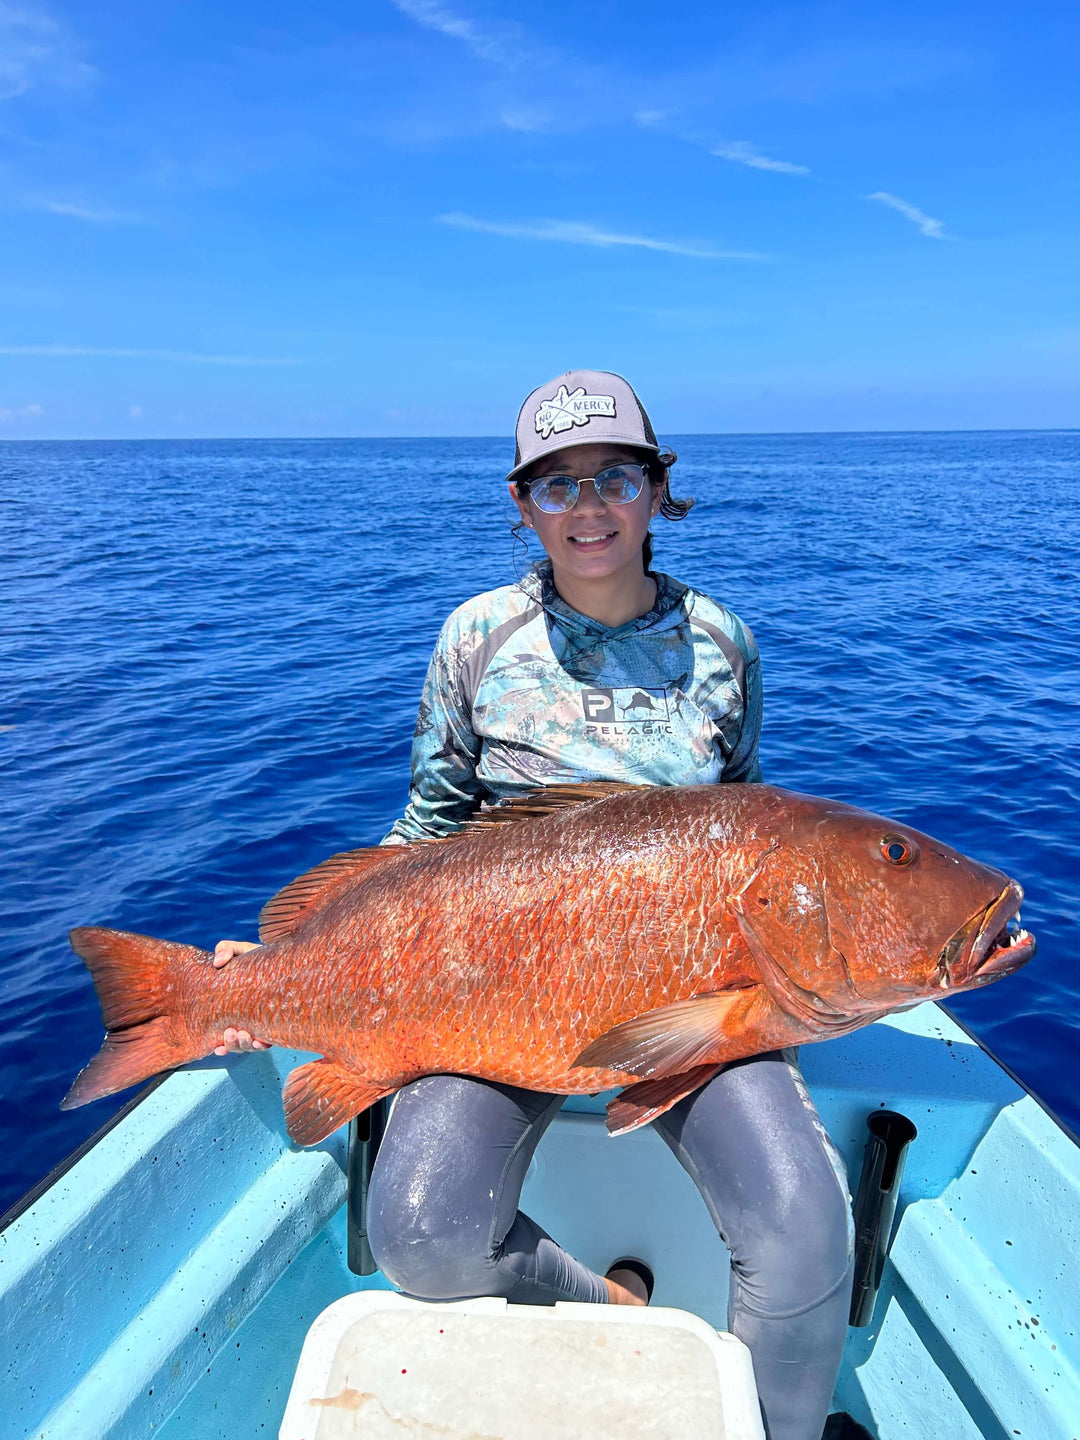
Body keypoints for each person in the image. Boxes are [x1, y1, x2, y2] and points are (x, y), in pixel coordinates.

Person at [213, 370, 855, 1440]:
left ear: (657, 489)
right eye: (556, 487)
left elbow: (745, 824)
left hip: (697, 995)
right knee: (418, 1230)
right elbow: (429, 826)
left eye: (615, 476)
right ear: (522, 505)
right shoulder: (476, 637)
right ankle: (615, 1312)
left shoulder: (724, 643)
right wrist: (294, 962)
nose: (588, 506)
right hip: (494, 982)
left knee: (804, 1229)